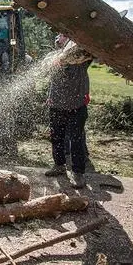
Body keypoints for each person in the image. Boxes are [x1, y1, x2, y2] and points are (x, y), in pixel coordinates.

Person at [45, 33, 93, 189]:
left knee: (76, 140)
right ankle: (59, 165)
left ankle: (78, 173)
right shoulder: (54, 58)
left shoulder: (81, 57)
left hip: (76, 105)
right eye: (60, 36)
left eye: (65, 35)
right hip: (56, 104)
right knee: (56, 137)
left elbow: (91, 51)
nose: (61, 37)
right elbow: (49, 75)